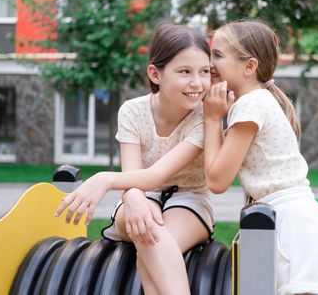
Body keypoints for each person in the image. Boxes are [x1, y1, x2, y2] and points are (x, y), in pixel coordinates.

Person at [55, 23, 214, 295]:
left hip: (190, 200)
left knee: (151, 244)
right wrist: (134, 198)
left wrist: (105, 179)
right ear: (155, 73)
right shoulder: (133, 111)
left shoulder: (205, 117)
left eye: (205, 72)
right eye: (184, 72)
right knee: (149, 239)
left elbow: (157, 175)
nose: (197, 83)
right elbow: (134, 177)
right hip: (139, 195)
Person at [204, 20, 318, 295]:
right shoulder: (258, 100)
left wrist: (211, 118)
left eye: (217, 55)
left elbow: (217, 180)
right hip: (296, 224)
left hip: (292, 228)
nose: (209, 63)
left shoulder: (250, 104)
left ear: (249, 66)